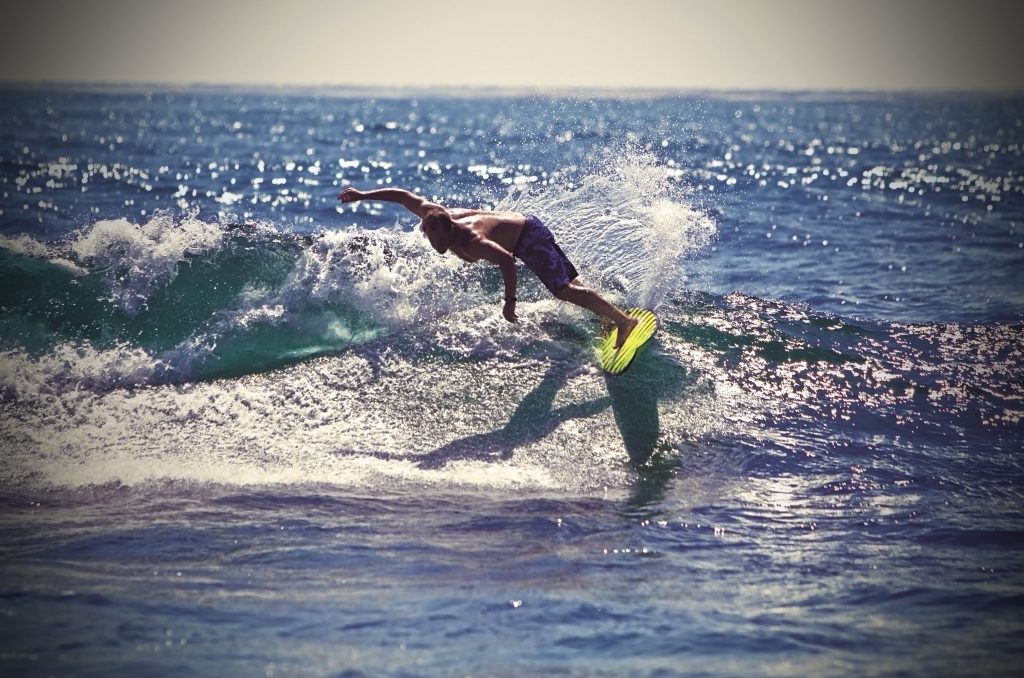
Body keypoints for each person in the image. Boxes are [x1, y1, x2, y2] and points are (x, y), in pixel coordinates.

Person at [337, 187, 638, 348]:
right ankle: (607, 316)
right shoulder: (434, 215)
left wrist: (509, 302)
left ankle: (623, 321)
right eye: (427, 235)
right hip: (524, 224)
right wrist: (363, 195)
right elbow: (403, 196)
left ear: (448, 231)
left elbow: (507, 261)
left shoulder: (473, 242)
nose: (432, 244)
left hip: (527, 236)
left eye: (435, 238)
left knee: (562, 289)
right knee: (568, 280)